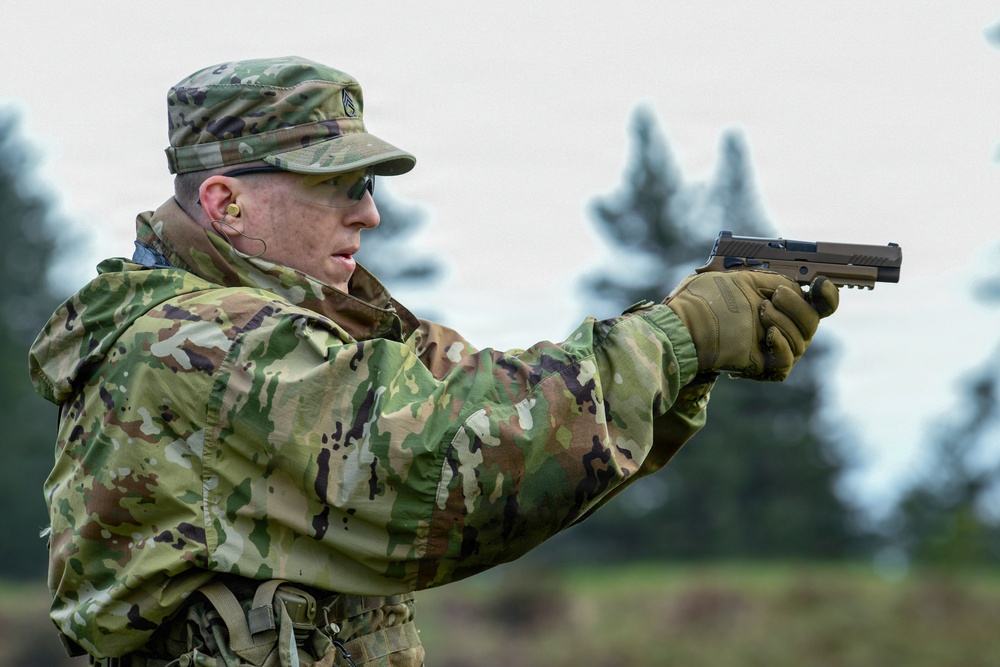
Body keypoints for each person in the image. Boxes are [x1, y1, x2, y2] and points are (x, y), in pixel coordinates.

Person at [29, 56, 839, 667]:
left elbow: (499, 428)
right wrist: (677, 336)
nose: (369, 211)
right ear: (225, 203)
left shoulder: (258, 332)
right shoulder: (198, 342)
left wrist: (682, 361)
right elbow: (444, 458)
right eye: (338, 183)